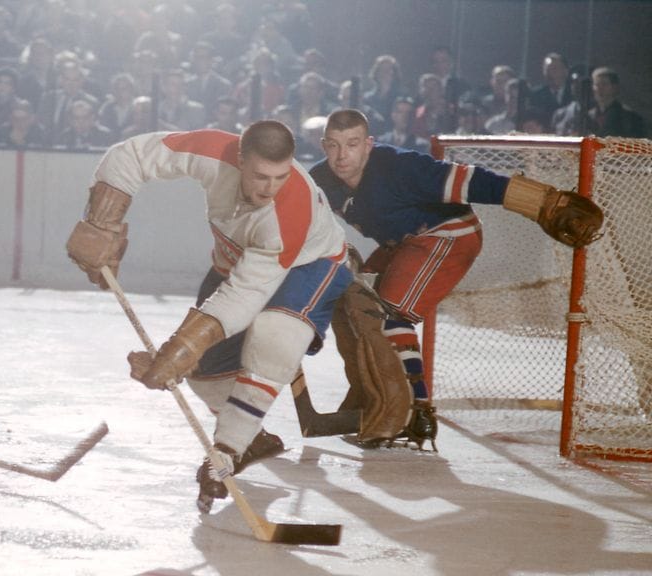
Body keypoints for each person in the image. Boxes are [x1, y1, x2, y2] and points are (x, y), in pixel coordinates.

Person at [66, 120, 352, 511]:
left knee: (274, 337)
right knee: (203, 371)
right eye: (260, 176)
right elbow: (129, 155)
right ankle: (253, 439)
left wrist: (180, 349)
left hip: (311, 264)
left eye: (280, 177)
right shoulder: (213, 152)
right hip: (237, 261)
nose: (270, 189)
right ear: (239, 160)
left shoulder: (289, 212)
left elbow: (244, 298)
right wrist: (102, 223)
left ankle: (229, 450)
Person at [308, 109, 603, 449]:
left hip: (448, 234)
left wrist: (540, 202)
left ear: (369, 144)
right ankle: (367, 398)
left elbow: (468, 180)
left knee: (388, 316)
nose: (342, 156)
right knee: (353, 300)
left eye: (352, 144)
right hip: (404, 241)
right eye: (334, 145)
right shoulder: (321, 179)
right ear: (323, 145)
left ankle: (414, 411)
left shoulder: (399, 166)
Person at [588, 67, 646, 138]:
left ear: (614, 87)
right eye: (596, 84)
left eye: (604, 84)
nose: (599, 89)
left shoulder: (629, 118)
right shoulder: (589, 116)